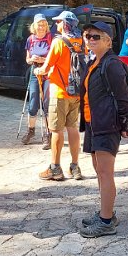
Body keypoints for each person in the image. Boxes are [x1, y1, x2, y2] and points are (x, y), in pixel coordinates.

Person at [78, 22, 128, 237]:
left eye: (96, 36)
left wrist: (122, 124)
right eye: (88, 36)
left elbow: (123, 98)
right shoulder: (95, 62)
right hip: (94, 123)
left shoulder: (112, 64)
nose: (91, 39)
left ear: (108, 41)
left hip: (106, 124)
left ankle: (106, 221)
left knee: (105, 172)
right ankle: (105, 212)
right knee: (98, 170)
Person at [34, 10, 84, 181]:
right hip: (76, 92)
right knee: (73, 128)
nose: (56, 24)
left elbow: (46, 67)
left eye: (58, 22)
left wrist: (38, 71)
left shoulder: (58, 42)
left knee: (56, 130)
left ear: (65, 24)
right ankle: (75, 167)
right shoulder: (81, 41)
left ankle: (55, 168)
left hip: (59, 92)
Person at [21, 14, 53, 147]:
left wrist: (43, 60)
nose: (41, 27)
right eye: (39, 25)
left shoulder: (51, 38)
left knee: (47, 103)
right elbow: (27, 59)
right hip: (35, 72)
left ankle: (48, 134)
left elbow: (54, 58)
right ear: (34, 26)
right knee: (33, 101)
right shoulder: (30, 39)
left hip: (48, 73)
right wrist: (32, 59)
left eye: (44, 24)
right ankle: (31, 131)